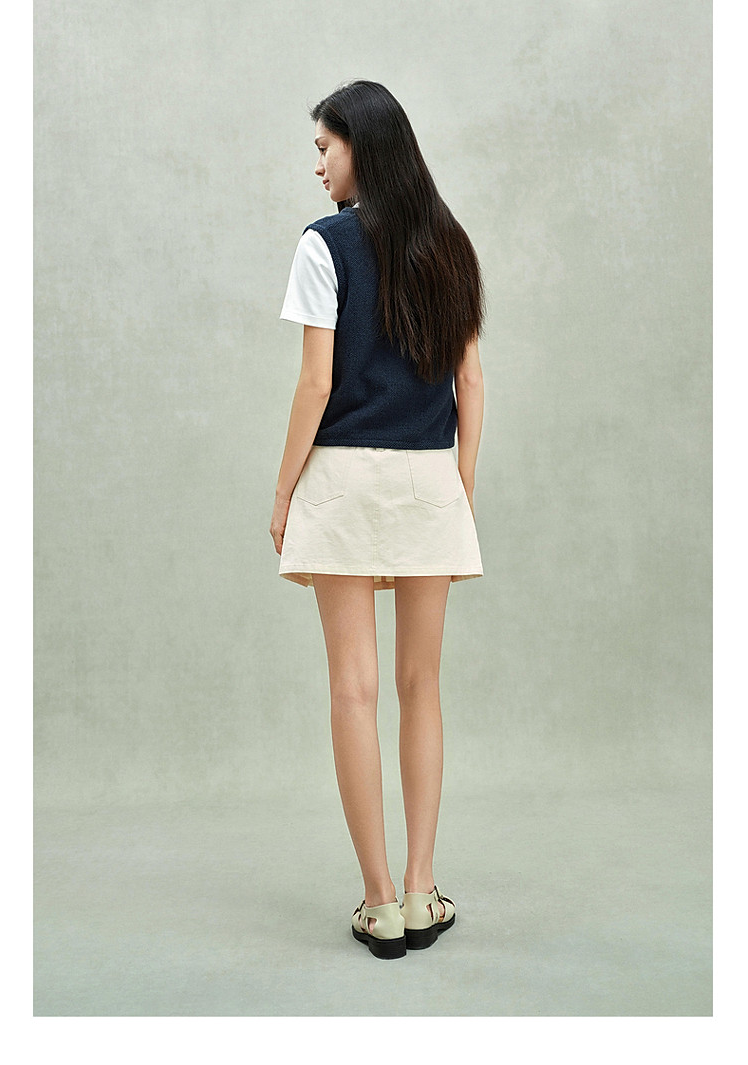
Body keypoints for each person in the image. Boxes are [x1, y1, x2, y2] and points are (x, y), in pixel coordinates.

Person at [269, 80, 485, 960]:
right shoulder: (451, 243)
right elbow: (471, 382)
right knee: (420, 685)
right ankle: (426, 888)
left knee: (353, 689)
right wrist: (458, 488)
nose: (317, 165)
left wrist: (283, 492)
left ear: (362, 144)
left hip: (344, 482)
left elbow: (315, 384)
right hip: (431, 476)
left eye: (325, 148)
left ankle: (380, 901)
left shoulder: (324, 245)